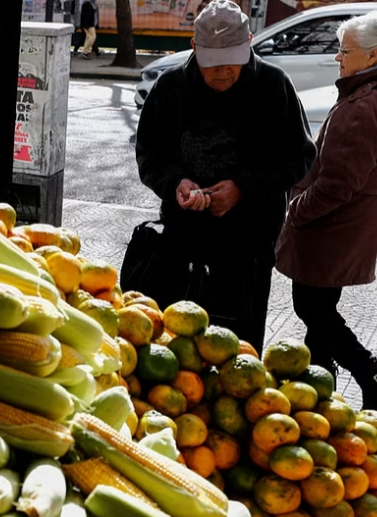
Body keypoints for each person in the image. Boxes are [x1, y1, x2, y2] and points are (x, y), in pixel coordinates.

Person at [134, 0, 316, 354]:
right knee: (176, 347)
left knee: (239, 349)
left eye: (232, 61)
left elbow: (300, 155)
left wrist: (243, 188)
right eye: (212, 63)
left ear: (249, 42)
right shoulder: (170, 88)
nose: (222, 73)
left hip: (249, 244)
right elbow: (149, 155)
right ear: (194, 48)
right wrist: (176, 185)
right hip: (180, 239)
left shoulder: (273, 85)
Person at [275, 11, 377, 411]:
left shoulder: (364, 105)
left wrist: (296, 211)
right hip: (351, 226)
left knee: (312, 308)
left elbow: (338, 184)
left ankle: (375, 377)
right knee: (320, 309)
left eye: (345, 50)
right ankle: (318, 392)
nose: (338, 57)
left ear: (373, 55)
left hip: (332, 228)